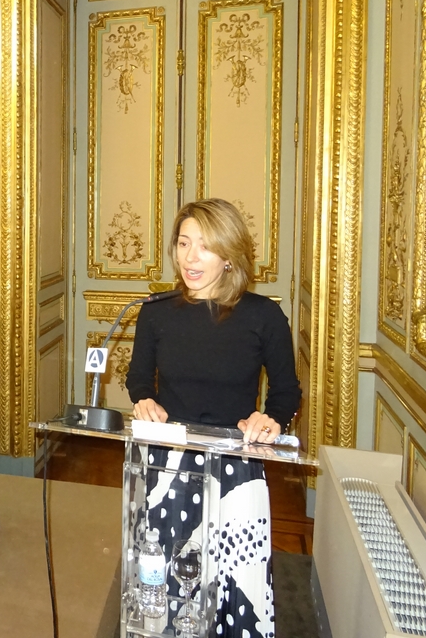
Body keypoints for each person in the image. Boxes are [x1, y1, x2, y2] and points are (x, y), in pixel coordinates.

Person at [125, 198, 301, 638]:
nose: (190, 257)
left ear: (229, 255)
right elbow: (138, 378)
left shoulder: (264, 316)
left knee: (233, 589)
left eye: (204, 246)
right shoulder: (156, 311)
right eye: (183, 243)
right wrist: (144, 401)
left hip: (235, 469)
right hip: (168, 465)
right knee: (167, 582)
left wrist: (272, 419)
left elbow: (287, 393)